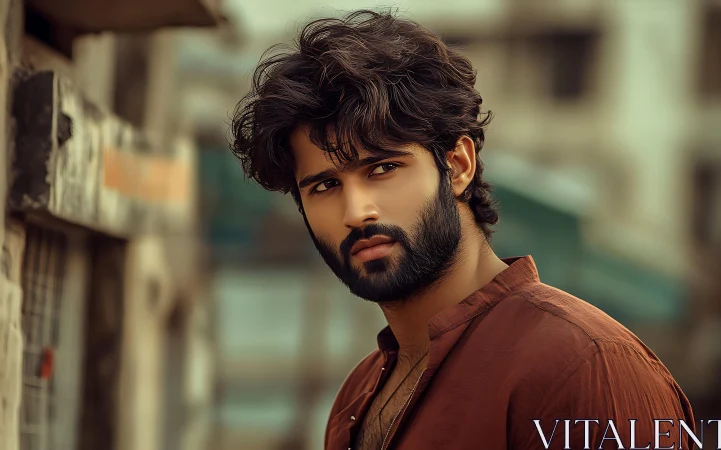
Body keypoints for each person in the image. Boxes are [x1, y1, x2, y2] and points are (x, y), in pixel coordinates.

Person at [229, 9, 695, 450]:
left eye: (383, 169)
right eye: (325, 185)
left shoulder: (584, 367)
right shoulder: (358, 394)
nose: (357, 211)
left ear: (457, 166)